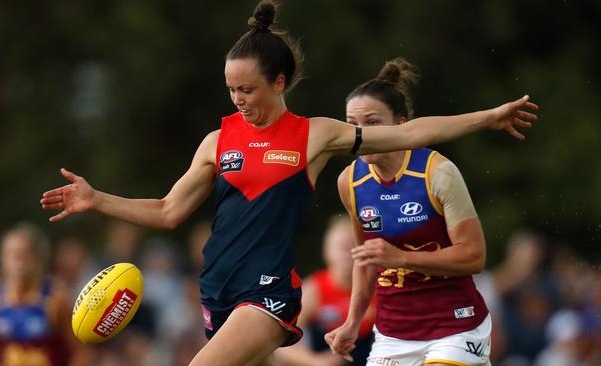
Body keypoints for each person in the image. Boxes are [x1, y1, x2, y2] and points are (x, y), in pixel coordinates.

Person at [40, 1, 538, 365]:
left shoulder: (315, 136)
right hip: (217, 292)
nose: (238, 99)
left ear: (279, 83)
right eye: (231, 88)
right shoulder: (218, 141)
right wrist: (97, 198)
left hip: (268, 295)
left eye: (248, 88)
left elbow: (409, 131)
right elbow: (169, 211)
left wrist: (488, 117)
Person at [324, 58, 495, 366]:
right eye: (352, 124)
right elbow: (367, 259)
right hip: (394, 335)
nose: (361, 134)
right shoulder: (350, 181)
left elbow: (474, 256)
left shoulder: (437, 172)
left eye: (373, 123)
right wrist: (352, 321)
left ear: (403, 126)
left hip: (455, 326)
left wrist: (401, 257)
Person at [0, 223, 91, 366]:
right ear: (2, 259)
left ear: (38, 260)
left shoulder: (56, 299)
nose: (18, 262)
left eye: (24, 255)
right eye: (12, 255)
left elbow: (80, 353)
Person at [276, 215, 376, 366]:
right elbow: (281, 346)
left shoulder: (379, 287)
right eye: (341, 247)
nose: (347, 254)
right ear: (327, 250)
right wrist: (316, 362)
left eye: (353, 246)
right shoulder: (313, 289)